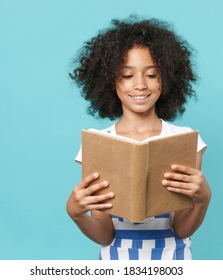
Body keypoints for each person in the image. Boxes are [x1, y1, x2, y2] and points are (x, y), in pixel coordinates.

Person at [66, 16, 211, 260]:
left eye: (152, 75)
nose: (141, 85)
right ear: (111, 80)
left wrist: (203, 199)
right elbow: (104, 236)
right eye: (127, 75)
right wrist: (76, 213)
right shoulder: (98, 144)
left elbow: (182, 229)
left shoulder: (186, 139)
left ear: (166, 78)